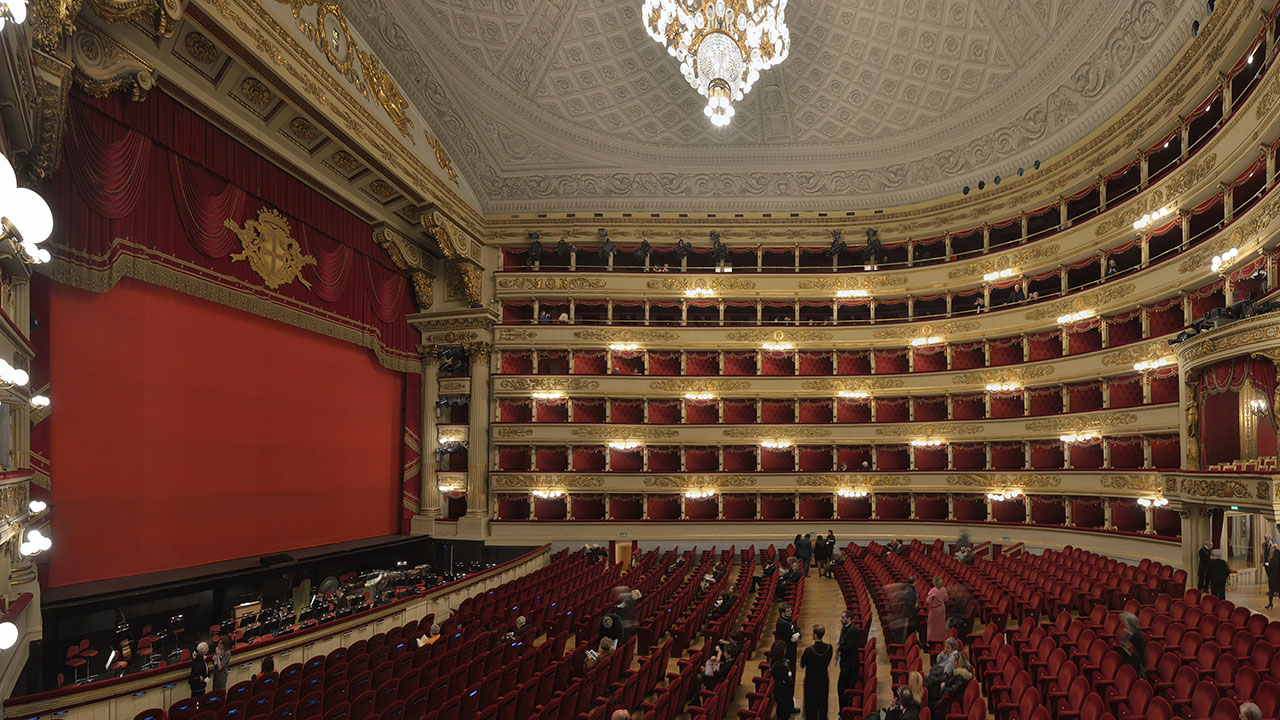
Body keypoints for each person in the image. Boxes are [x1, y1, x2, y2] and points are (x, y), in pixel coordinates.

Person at [801, 625, 832, 720]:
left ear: (815, 635)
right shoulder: (829, 648)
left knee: (811, 701)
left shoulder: (809, 650)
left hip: (811, 679)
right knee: (823, 699)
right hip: (823, 678)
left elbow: (802, 664)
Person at [836, 610, 861, 709]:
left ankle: (844, 710)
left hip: (850, 665)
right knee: (841, 687)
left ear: (849, 619)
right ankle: (842, 709)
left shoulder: (853, 630)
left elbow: (849, 648)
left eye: (843, 617)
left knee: (842, 687)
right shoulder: (845, 627)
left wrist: (838, 648)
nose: (841, 619)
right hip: (845, 662)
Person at [769, 639, 795, 720]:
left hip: (779, 688)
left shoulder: (773, 660)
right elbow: (789, 680)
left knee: (781, 709)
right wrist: (789, 673)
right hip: (782, 691)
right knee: (783, 713)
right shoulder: (780, 666)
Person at [1115, 612, 1146, 679]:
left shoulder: (1138, 637)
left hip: (1133, 665)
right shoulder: (1128, 633)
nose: (1125, 626)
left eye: (1126, 624)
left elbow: (1137, 654)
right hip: (1127, 660)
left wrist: (1128, 647)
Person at [925, 577, 949, 649]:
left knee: (932, 627)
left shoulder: (933, 590)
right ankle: (941, 641)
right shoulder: (943, 589)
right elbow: (946, 599)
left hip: (934, 610)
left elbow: (928, 602)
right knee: (941, 626)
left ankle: (931, 642)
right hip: (942, 609)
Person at [776, 602, 801, 668]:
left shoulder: (788, 619)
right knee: (789, 667)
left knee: (793, 666)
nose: (791, 612)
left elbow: (797, 628)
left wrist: (798, 633)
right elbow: (791, 636)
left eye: (790, 610)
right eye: (788, 611)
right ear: (783, 613)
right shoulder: (781, 623)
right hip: (787, 648)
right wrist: (796, 633)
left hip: (792, 647)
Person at [1267, 541, 1280, 609]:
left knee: (1271, 591)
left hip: (1272, 577)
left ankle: (1270, 603)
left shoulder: (1272, 561)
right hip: (1278, 578)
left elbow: (1269, 570)